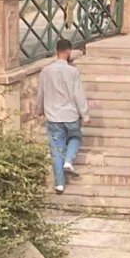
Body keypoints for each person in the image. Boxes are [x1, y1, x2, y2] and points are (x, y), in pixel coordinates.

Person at [35, 38, 89, 194]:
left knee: (56, 150)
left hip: (53, 117)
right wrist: (85, 114)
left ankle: (59, 184)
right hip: (70, 115)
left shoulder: (45, 71)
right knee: (75, 138)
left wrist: (39, 110)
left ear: (56, 51)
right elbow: (78, 95)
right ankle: (69, 160)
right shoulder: (73, 72)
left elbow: (41, 93)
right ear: (69, 51)